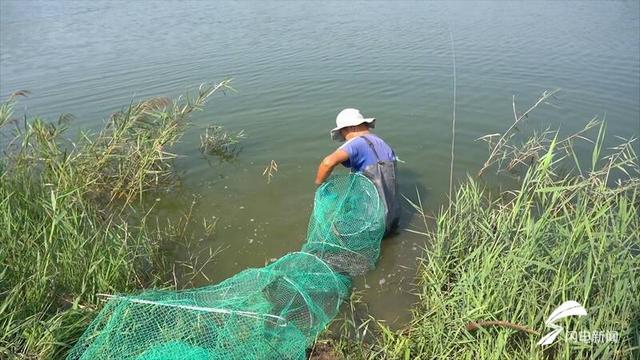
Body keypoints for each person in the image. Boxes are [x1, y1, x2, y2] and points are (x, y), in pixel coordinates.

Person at [315, 108, 399, 234]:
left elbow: (327, 163)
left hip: (370, 225)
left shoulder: (355, 143)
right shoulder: (384, 144)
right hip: (392, 220)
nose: (345, 139)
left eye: (343, 134)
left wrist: (319, 184)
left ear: (351, 128)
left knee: (334, 230)